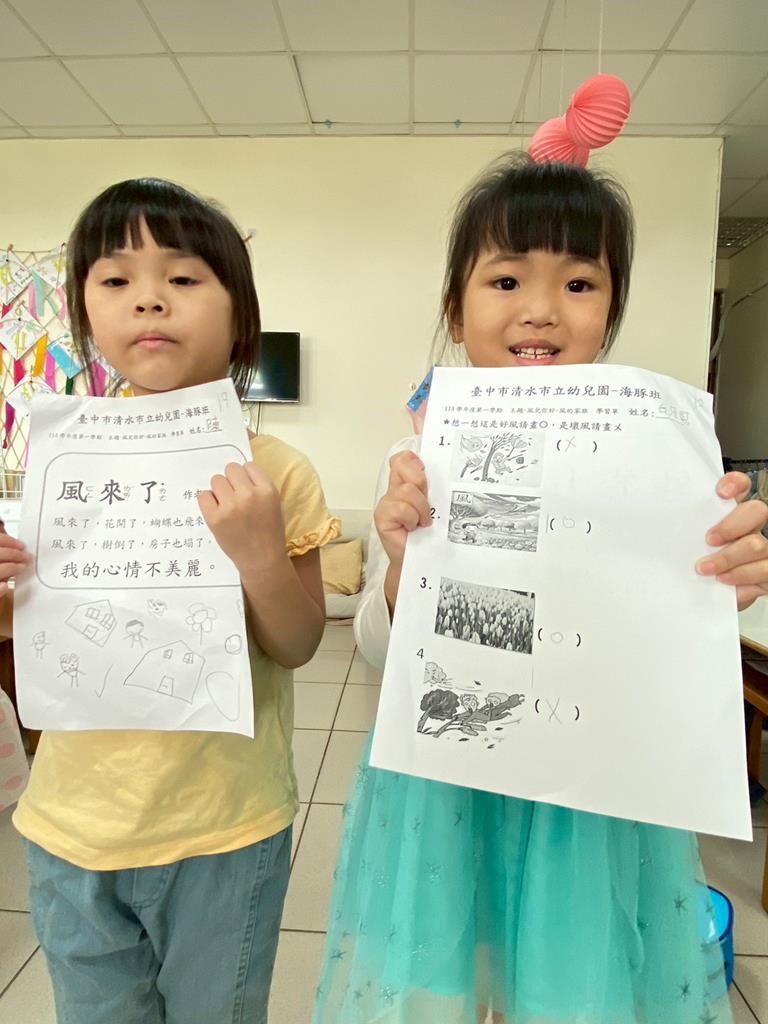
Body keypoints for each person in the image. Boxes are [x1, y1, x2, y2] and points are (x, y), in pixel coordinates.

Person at [312, 155, 768, 1024]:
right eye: (507, 278)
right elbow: (373, 647)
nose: (541, 309)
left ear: (610, 310)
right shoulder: (417, 461)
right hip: (448, 778)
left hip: (590, 796)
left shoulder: (658, 469)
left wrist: (716, 591)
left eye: (580, 283)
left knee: (569, 988)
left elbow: (654, 646)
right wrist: (405, 566)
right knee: (446, 979)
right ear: (456, 309)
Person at [0, 177, 338, 1024]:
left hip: (223, 826)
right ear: (87, 315)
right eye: (116, 280)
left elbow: (298, 643)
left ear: (240, 315)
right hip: (71, 824)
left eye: (183, 278)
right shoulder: (56, 464)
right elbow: (31, 632)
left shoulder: (275, 469)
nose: (148, 299)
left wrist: (260, 556)